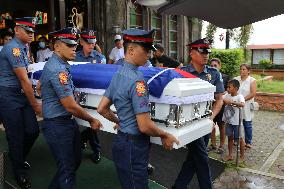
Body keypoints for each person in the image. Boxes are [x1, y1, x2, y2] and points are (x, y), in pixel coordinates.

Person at [97, 28, 179, 189]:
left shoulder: (118, 74)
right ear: (131, 50)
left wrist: (120, 122)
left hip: (121, 142)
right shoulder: (138, 81)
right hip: (134, 147)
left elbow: (102, 109)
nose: (149, 55)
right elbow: (144, 125)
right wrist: (165, 134)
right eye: (146, 50)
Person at [38, 27, 102, 188]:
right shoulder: (58, 69)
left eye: (75, 45)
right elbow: (70, 106)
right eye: (69, 45)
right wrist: (91, 119)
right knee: (67, 171)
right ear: (57, 46)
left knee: (73, 162)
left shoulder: (58, 64)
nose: (74, 48)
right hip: (58, 124)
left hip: (65, 122)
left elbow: (39, 86)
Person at [172, 38, 224, 189]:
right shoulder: (182, 73)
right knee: (201, 157)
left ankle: (178, 186)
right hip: (189, 124)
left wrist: (211, 119)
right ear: (192, 53)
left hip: (206, 124)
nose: (206, 55)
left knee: (194, 158)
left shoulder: (214, 74)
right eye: (202, 51)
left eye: (207, 51)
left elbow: (219, 99)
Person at [0, 17, 41, 189]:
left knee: (32, 130)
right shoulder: (13, 49)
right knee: (16, 135)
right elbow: (24, 80)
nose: (32, 34)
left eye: (33, 31)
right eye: (28, 31)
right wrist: (36, 105)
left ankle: (17, 157)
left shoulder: (23, 48)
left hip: (21, 95)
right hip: (9, 96)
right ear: (17, 30)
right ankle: (19, 172)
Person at [74, 29, 104, 163]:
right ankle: (81, 141)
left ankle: (96, 150)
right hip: (78, 94)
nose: (91, 45)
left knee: (92, 123)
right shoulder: (75, 56)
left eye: (93, 43)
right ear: (81, 42)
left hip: (94, 96)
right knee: (81, 121)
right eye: (88, 43)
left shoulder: (99, 58)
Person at [208, 58, 230, 153]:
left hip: (221, 104)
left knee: (221, 126)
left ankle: (221, 145)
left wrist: (220, 94)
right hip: (210, 104)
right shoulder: (207, 76)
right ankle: (213, 144)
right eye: (211, 66)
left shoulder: (225, 77)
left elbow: (228, 90)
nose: (213, 67)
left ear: (219, 66)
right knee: (211, 124)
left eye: (215, 66)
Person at [222, 79, 245, 162]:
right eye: (227, 87)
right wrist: (225, 100)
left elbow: (242, 104)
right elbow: (221, 98)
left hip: (237, 122)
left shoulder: (239, 96)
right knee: (230, 137)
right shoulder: (227, 95)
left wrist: (232, 103)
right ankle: (230, 155)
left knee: (240, 138)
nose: (227, 88)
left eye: (229, 87)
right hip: (229, 121)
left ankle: (242, 156)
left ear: (235, 88)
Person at [234, 64, 257, 149]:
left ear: (248, 71)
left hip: (247, 105)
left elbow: (253, 93)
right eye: (241, 69)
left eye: (244, 69)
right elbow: (232, 89)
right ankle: (236, 140)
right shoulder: (236, 79)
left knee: (247, 123)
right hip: (237, 105)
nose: (242, 71)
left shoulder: (252, 80)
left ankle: (248, 142)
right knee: (236, 123)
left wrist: (242, 99)